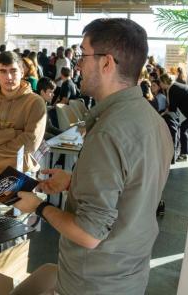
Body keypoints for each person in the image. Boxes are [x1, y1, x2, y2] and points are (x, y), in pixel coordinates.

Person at [12, 18, 173, 295]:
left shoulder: (108, 133)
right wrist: (76, 182)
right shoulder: (152, 120)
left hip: (92, 283)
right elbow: (132, 190)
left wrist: (38, 207)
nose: (77, 64)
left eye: (83, 54)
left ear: (106, 63)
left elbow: (89, 234)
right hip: (129, 275)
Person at [0, 51, 46, 174]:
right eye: (3, 71)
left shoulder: (35, 102)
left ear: (22, 72)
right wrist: (14, 133)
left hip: (21, 172)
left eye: (13, 71)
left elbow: (31, 143)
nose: (9, 77)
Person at [159, 73, 188, 162]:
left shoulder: (171, 89)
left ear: (164, 82)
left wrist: (163, 113)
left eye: (160, 82)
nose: (160, 84)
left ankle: (183, 155)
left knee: (183, 129)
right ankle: (187, 150)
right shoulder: (175, 85)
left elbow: (172, 108)